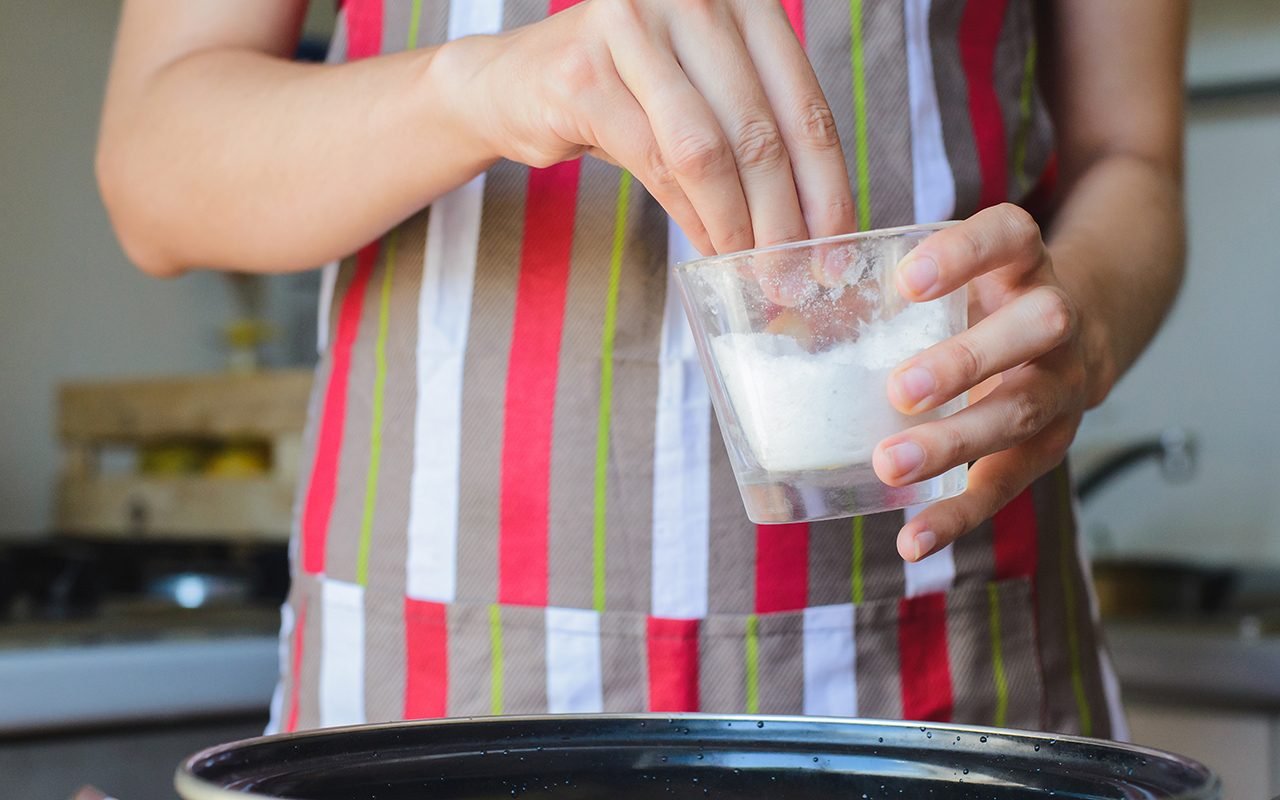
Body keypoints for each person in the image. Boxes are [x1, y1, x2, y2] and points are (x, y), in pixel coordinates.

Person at [97, 0, 1187, 738]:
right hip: (430, 676)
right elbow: (154, 164)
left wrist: (1078, 313)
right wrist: (472, 90)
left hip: (936, 664)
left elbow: (1130, 157)